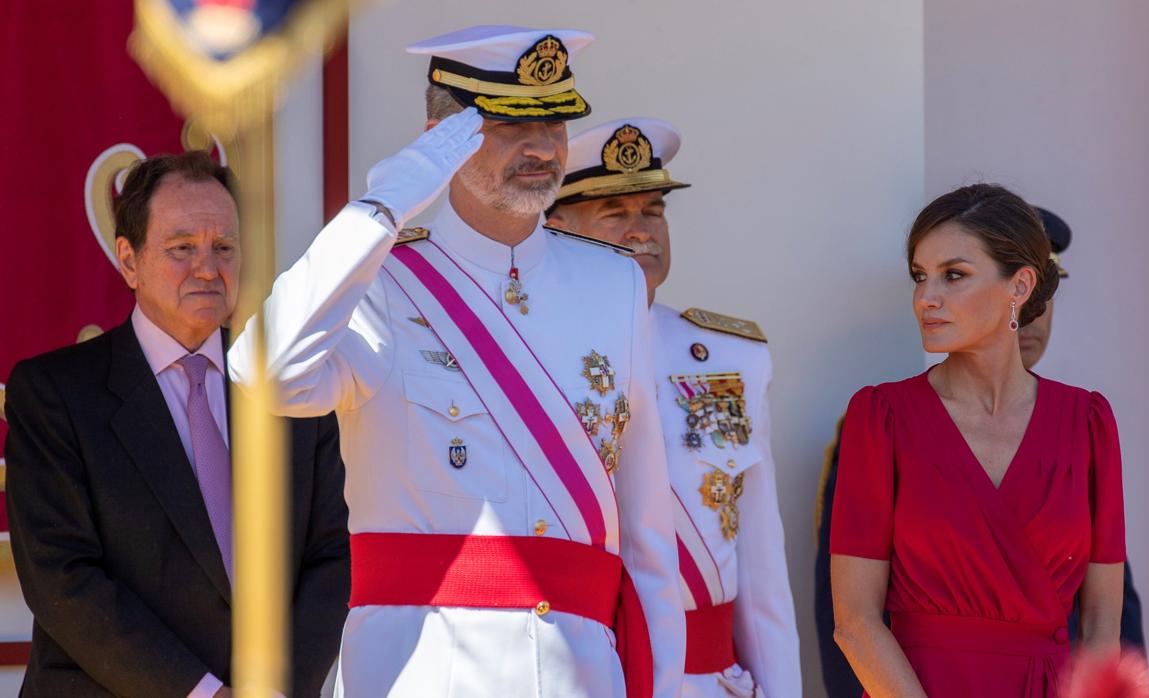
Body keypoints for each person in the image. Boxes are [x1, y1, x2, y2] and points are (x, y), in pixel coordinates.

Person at [228, 26, 684, 697]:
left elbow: (647, 540)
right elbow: (263, 374)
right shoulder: (377, 278)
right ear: (440, 138)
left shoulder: (614, 285)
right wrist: (383, 206)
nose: (541, 147)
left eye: (555, 122)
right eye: (507, 125)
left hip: (578, 674)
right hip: (419, 670)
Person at [3, 151, 350, 698]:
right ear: (129, 260)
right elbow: (62, 579)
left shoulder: (291, 385)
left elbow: (329, 557)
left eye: (224, 248)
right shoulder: (55, 395)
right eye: (182, 248)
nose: (208, 267)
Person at [813, 204, 1145, 694]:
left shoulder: (1088, 423)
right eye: (920, 276)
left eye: (953, 276)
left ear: (1020, 286)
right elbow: (854, 622)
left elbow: (1102, 627)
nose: (926, 298)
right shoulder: (880, 417)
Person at [546, 118, 800, 697]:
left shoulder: (731, 358)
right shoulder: (523, 359)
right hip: (579, 673)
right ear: (556, 229)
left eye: (653, 211)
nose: (642, 233)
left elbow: (761, 571)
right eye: (616, 214)